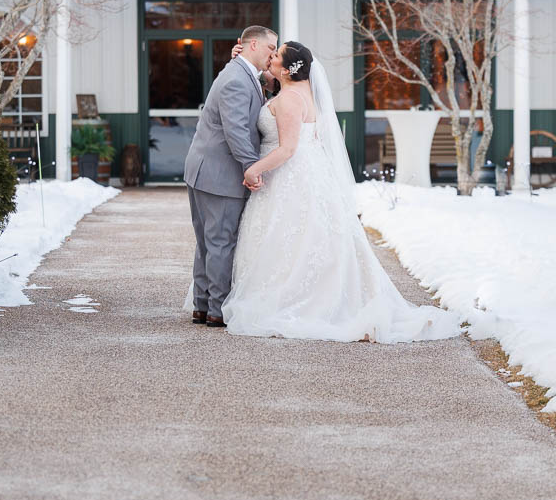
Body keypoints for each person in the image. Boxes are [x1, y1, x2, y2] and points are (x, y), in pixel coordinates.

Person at [219, 41, 463, 343]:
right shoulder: (298, 91)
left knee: (291, 238)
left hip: (289, 175)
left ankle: (297, 299)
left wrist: (255, 169)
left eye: (276, 56)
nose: (270, 58)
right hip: (304, 174)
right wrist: (241, 58)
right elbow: (267, 85)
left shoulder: (290, 99)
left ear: (288, 68)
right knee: (300, 239)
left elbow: (288, 149)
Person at [183, 25, 277, 328]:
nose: (273, 54)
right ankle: (217, 310)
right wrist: (252, 167)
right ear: (251, 45)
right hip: (219, 173)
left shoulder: (238, 71)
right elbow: (236, 129)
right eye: (270, 48)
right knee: (220, 242)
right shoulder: (238, 78)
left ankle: (202, 305)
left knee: (209, 243)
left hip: (204, 170)